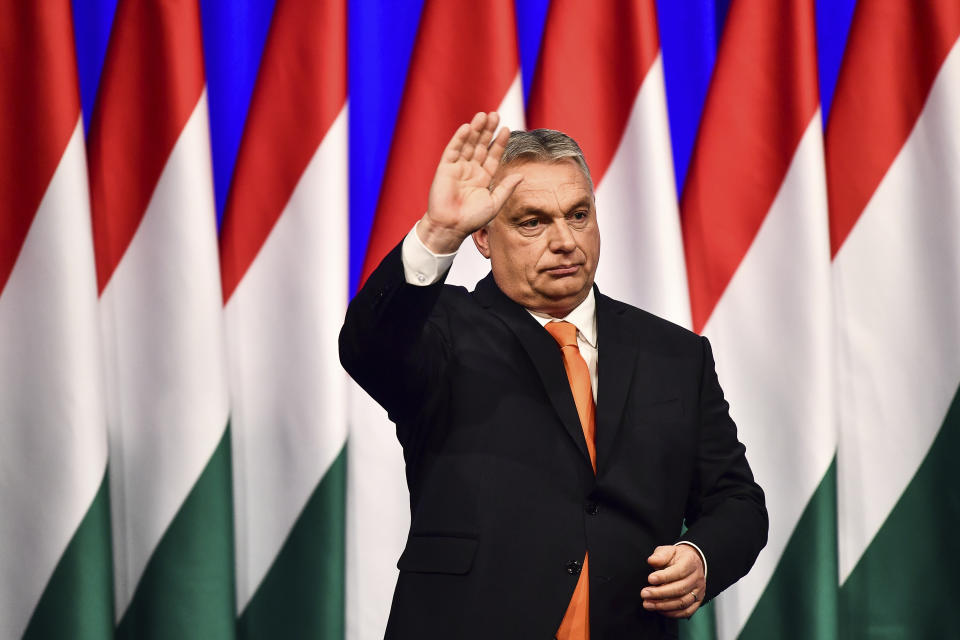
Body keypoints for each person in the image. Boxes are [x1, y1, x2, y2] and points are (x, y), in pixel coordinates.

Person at [340, 112, 767, 639]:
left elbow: (737, 501)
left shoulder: (676, 354)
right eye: (532, 221)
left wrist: (701, 557)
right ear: (483, 239)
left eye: (578, 214)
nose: (565, 239)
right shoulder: (440, 332)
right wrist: (438, 232)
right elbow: (367, 348)